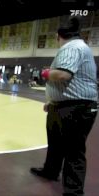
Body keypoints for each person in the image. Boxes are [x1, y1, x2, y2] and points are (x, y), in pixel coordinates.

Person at [30, 17, 98, 196]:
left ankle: (73, 192)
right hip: (65, 105)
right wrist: (52, 101)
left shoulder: (72, 47)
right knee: (55, 142)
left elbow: (62, 75)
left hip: (76, 107)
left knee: (73, 149)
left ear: (59, 36)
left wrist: (44, 72)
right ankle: (50, 171)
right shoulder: (77, 47)